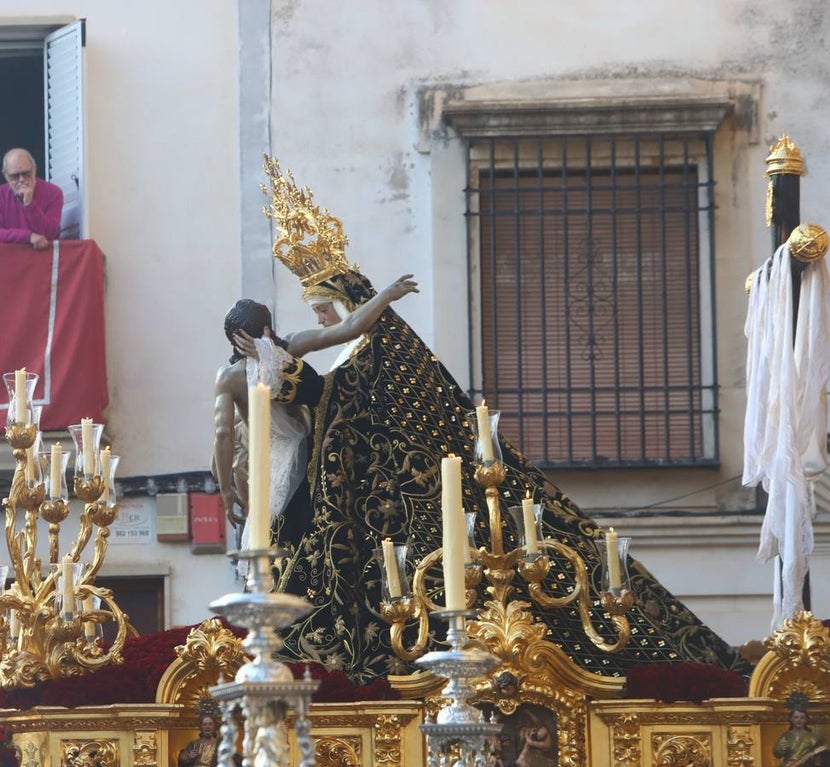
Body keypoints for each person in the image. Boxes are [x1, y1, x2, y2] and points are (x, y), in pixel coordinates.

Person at [261, 158, 753, 683]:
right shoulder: (349, 357)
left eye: (323, 307)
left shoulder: (377, 355)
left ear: (346, 303)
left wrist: (374, 306)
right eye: (315, 311)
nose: (318, 318)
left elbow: (369, 402)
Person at [212, 276, 419, 549]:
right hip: (312, 454)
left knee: (271, 544)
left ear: (234, 338)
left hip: (269, 464)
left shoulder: (228, 377)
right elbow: (350, 327)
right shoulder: (290, 346)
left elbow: (223, 434)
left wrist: (226, 491)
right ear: (266, 328)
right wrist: (387, 294)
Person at [0, 148, 63, 249]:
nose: (21, 179)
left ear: (34, 169)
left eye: (26, 174)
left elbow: (50, 233)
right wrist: (28, 236)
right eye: (15, 176)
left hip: (43, 256)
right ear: (5, 175)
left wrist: (30, 204)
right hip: (10, 257)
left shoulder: (53, 193)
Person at [774, 694, 826, 767]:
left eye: (802, 718)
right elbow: (777, 754)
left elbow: (821, 755)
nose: (799, 720)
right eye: (796, 717)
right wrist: (781, 748)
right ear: (791, 719)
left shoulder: (814, 738)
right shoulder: (786, 736)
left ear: (806, 719)